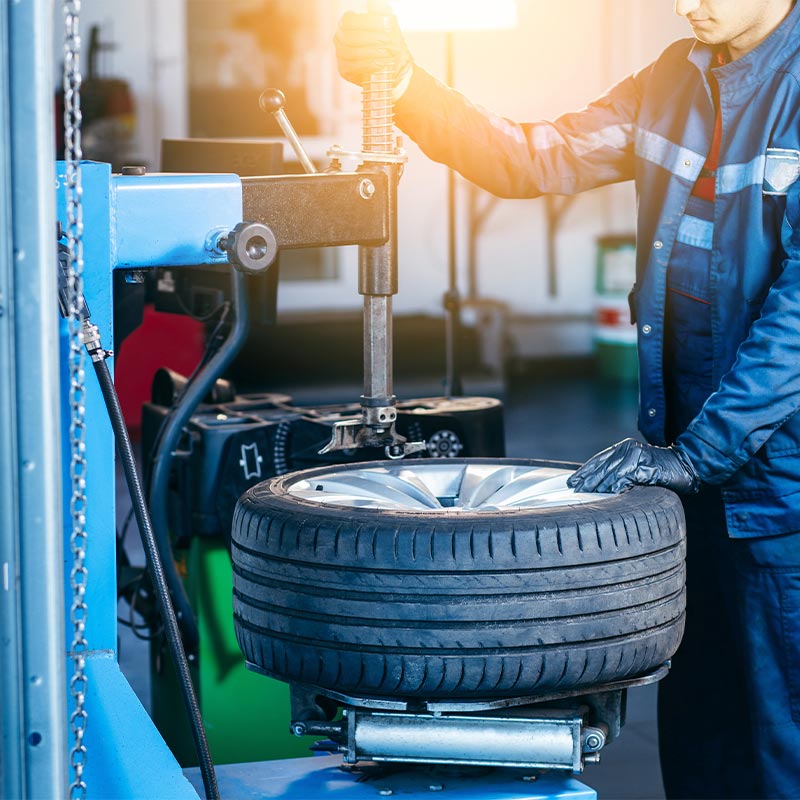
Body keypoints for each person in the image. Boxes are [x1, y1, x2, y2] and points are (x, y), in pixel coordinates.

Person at [334, 1, 800, 797]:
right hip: (683, 485)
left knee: (785, 740)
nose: (687, 4)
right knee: (702, 738)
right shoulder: (671, 81)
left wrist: (698, 453)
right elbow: (534, 157)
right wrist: (407, 86)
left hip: (779, 491)